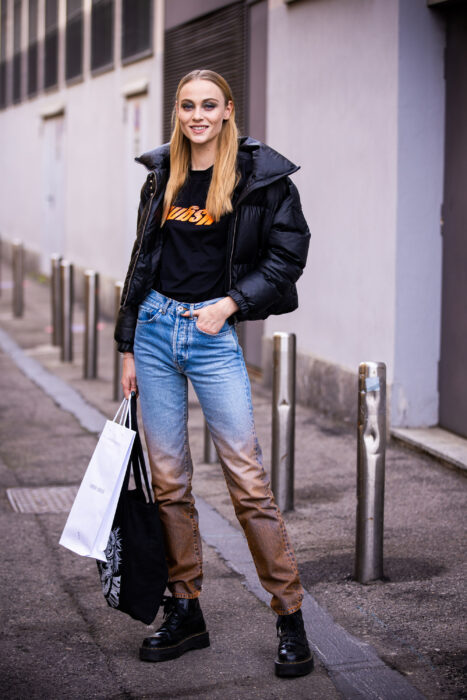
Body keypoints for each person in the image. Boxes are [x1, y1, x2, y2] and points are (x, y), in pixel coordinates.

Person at [115, 69, 312, 678]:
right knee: (170, 482)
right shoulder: (162, 174)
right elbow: (142, 258)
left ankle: (290, 618)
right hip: (154, 332)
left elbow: (288, 256)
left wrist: (229, 306)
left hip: (211, 336)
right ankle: (186, 608)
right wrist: (127, 345)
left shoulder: (263, 179)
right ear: (176, 113)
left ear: (228, 111)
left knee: (248, 484)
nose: (196, 115)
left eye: (208, 105)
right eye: (186, 106)